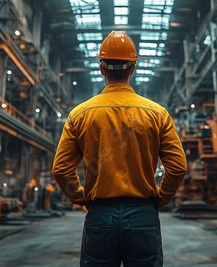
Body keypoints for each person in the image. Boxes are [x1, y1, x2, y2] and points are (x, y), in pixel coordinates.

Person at [52, 30, 187, 267]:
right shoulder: (157, 114)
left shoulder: (80, 114)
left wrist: (83, 198)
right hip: (143, 213)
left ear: (102, 68)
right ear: (132, 69)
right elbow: (177, 167)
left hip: (100, 214)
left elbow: (61, 169)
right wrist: (160, 199)